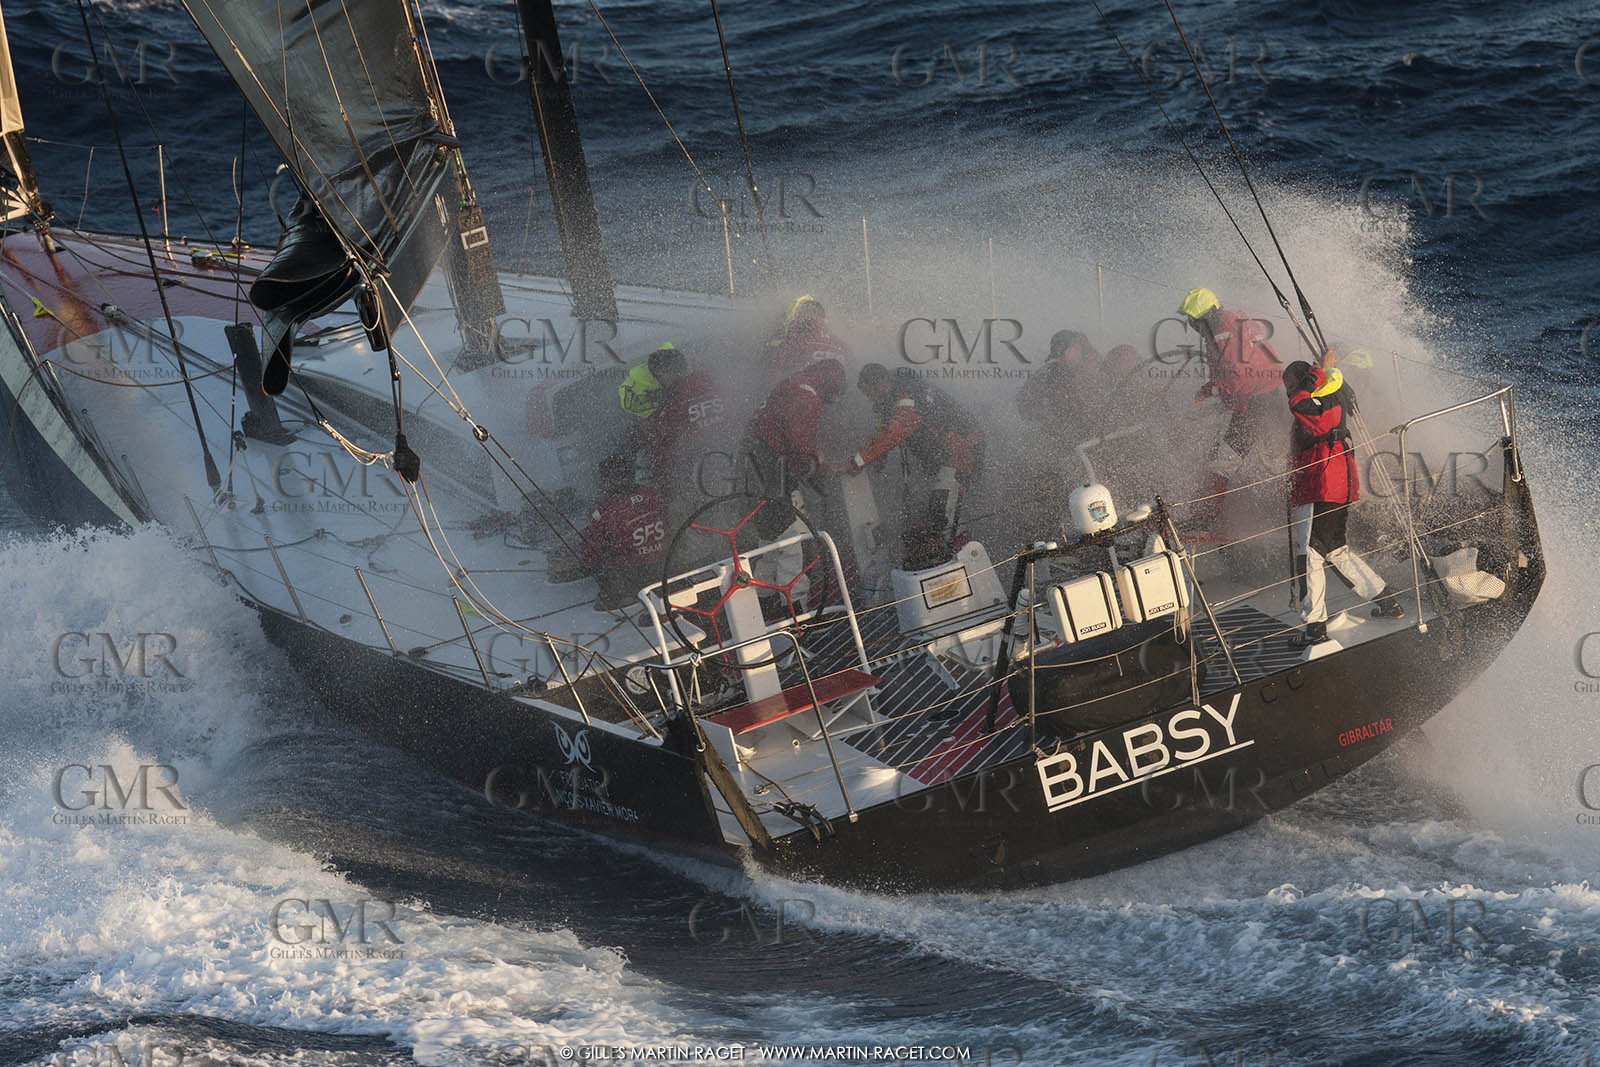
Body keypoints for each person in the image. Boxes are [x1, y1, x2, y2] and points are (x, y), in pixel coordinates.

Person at [1283, 359, 1405, 646]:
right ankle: (1388, 601)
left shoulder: (1319, 400)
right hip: (1335, 481)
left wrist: (1316, 374)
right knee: (1336, 551)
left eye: (1290, 385)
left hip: (1322, 483)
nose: (1288, 392)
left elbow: (1299, 404)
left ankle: (1314, 629)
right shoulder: (1331, 398)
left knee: (1310, 553)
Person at [844, 363, 985, 570]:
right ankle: (940, 566)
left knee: (941, 516)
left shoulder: (908, 395)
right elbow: (884, 429)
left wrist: (857, 462)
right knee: (922, 515)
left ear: (882, 383)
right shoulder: (889, 400)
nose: (870, 398)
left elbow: (894, 431)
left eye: (871, 392)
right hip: (938, 461)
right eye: (866, 394)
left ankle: (956, 571)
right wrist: (877, 460)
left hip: (960, 454)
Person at [1179, 287, 1289, 522]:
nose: (1191, 326)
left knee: (1223, 462)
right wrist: (1211, 389)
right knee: (1277, 462)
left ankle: (1203, 520)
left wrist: (1214, 392)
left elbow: (1236, 376)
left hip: (1256, 403)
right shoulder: (1234, 320)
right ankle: (1294, 512)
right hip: (1268, 397)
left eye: (1191, 320)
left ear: (1201, 318)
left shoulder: (1221, 330)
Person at [628, 343, 728, 492]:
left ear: (666, 373)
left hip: (701, 484)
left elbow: (662, 461)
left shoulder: (670, 411)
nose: (658, 382)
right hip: (738, 467)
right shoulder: (717, 384)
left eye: (658, 376)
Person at [579, 454, 669, 609]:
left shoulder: (606, 510)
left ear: (607, 482)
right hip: (664, 568)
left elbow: (591, 551)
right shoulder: (655, 495)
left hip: (630, 579)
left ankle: (620, 596)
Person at [765, 294, 851, 386]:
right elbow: (854, 375)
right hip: (839, 397)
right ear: (824, 319)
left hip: (801, 396)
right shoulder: (842, 346)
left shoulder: (792, 342)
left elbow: (771, 378)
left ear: (800, 317)